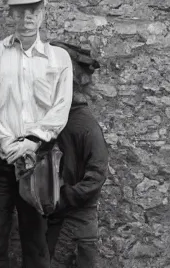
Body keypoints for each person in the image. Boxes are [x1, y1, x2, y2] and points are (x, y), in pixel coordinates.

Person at [0, 0, 73, 268]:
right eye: (20, 13)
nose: (26, 19)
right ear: (11, 15)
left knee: (35, 243)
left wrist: (32, 141)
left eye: (33, 12)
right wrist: (6, 142)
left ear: (42, 15)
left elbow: (60, 107)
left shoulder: (59, 58)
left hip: (38, 162)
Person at [45, 43, 108, 268]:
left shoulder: (84, 124)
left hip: (78, 224)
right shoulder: (57, 120)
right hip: (58, 222)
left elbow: (98, 172)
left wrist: (66, 197)